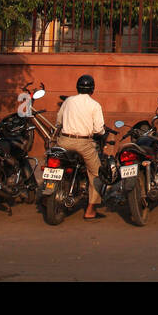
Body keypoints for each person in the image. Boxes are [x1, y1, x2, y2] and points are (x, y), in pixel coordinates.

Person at [56, 74, 106, 221]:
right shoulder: (95, 105)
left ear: (77, 88)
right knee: (96, 173)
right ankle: (90, 210)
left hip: (64, 141)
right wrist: (102, 133)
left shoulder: (68, 101)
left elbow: (59, 120)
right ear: (92, 89)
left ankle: (48, 196)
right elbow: (98, 129)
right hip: (83, 144)